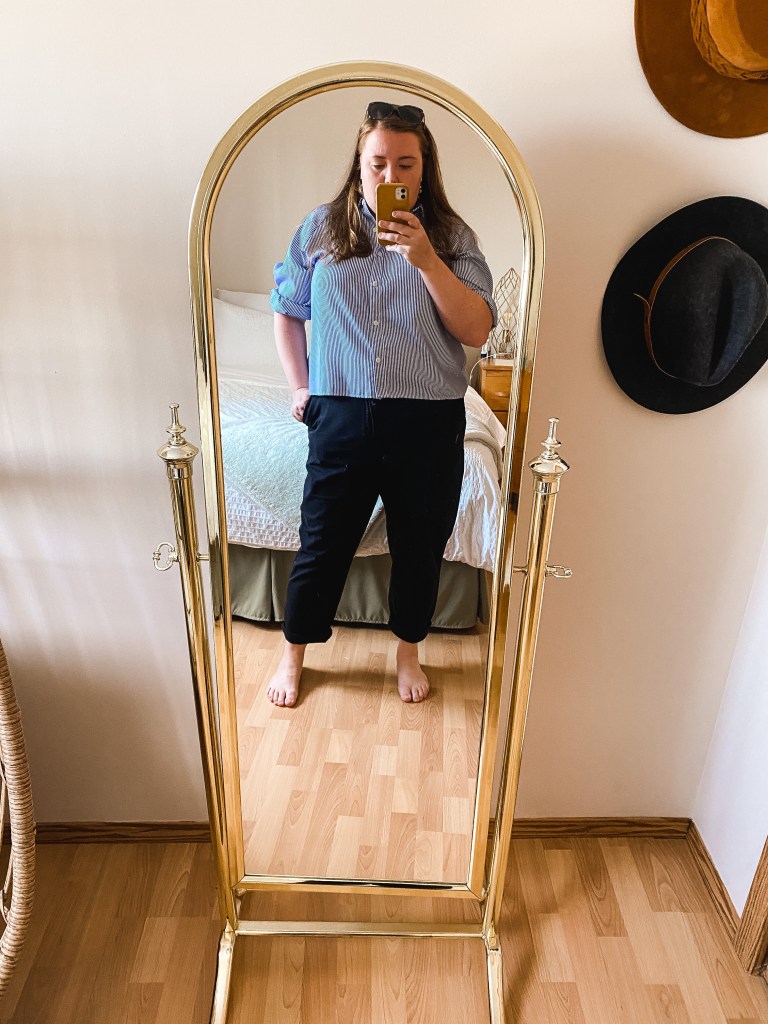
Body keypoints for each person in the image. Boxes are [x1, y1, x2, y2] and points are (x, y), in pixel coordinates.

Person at [267, 101, 496, 708]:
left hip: (427, 418)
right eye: (378, 163)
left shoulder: (451, 237)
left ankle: (408, 652)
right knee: (322, 540)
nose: (390, 176)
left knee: (420, 546)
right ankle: (293, 653)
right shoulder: (321, 228)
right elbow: (287, 310)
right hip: (340, 413)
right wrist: (300, 387)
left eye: (405, 164)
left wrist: (427, 261)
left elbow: (476, 328)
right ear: (359, 164)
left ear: (424, 169)